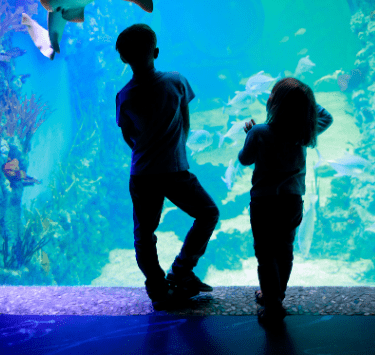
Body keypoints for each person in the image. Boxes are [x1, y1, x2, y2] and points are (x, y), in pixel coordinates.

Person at [115, 24, 220, 311]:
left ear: (123, 59)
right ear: (156, 52)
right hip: (174, 170)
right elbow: (186, 119)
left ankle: (157, 289)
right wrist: (176, 147)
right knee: (208, 213)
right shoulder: (176, 81)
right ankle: (182, 271)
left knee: (144, 234)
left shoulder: (124, 96)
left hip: (142, 173)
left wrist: (147, 150)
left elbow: (129, 135)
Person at [239, 77, 333, 324]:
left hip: (264, 204)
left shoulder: (259, 131)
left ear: (274, 104)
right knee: (285, 250)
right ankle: (276, 295)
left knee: (265, 254)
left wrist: (249, 135)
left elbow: (244, 159)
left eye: (271, 95)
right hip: (292, 203)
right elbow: (328, 117)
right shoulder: (304, 132)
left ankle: (271, 304)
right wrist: (304, 99)